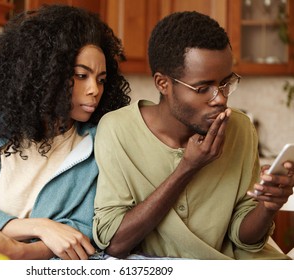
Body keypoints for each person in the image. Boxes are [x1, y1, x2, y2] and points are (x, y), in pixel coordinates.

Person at [92, 11, 294, 260]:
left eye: (225, 83)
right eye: (203, 88)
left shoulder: (240, 129)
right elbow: (114, 243)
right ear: (163, 84)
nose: (220, 98)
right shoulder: (117, 130)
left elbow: (244, 240)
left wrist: (267, 207)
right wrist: (187, 168)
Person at [0, 4, 130, 260]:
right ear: (48, 74)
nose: (94, 89)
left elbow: (82, 232)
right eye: (82, 75)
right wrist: (41, 227)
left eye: (101, 79)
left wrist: (20, 252)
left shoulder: (97, 141)